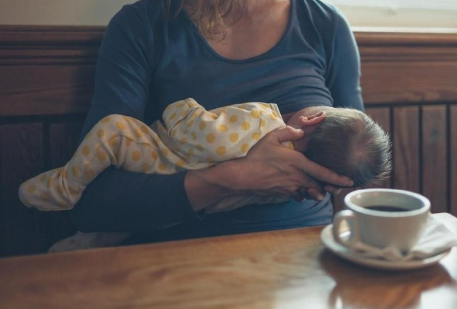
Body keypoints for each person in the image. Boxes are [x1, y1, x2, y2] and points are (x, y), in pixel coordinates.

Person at [37, 0, 365, 248]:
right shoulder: (144, 25)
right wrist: (232, 179)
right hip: (178, 260)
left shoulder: (326, 26)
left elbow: (357, 173)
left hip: (304, 257)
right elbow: (93, 205)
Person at [19, 98, 390, 251]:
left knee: (113, 130)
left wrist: (183, 107)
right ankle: (68, 249)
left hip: (156, 160)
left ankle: (64, 186)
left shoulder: (263, 119)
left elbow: (193, 131)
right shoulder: (290, 187)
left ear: (310, 120)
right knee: (105, 235)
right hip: (178, 215)